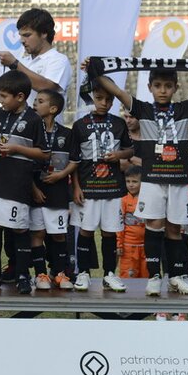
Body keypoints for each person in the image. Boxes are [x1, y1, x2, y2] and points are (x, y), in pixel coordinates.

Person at [89, 61, 188, 296]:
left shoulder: (185, 109)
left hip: (178, 181)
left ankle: (175, 277)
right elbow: (116, 91)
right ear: (150, 87)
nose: (163, 90)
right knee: (153, 226)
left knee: (174, 229)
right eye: (158, 85)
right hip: (152, 180)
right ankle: (154, 277)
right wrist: (95, 69)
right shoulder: (142, 109)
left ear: (175, 88)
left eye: (168, 86)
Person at [0, 70, 46, 294]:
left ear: (20, 97)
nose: (0, 100)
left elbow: (43, 153)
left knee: (19, 229)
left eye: (3, 96)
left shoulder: (34, 119)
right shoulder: (1, 114)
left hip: (18, 181)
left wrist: (17, 148)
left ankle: (22, 275)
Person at [67, 83, 135, 292]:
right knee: (86, 231)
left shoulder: (119, 123)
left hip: (112, 189)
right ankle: (83, 272)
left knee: (110, 232)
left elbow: (130, 150)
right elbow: (74, 160)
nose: (104, 103)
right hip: (88, 188)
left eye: (108, 99)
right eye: (99, 98)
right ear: (91, 98)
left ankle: (109, 274)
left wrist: (119, 155)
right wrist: (76, 187)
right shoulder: (79, 125)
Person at [31, 89, 74, 290]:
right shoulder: (31, 131)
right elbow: (24, 164)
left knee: (58, 234)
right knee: (38, 233)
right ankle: (40, 274)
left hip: (58, 192)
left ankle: (59, 272)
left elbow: (75, 161)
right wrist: (33, 188)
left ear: (53, 109)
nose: (34, 104)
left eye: (40, 101)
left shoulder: (66, 133)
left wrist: (61, 174)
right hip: (35, 191)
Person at [0, 8, 71, 105]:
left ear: (44, 33)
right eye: (21, 35)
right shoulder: (23, 61)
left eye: (27, 35)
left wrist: (14, 64)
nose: (21, 40)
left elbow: (47, 89)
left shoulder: (58, 60)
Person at [117, 167, 146, 279]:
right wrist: (119, 244)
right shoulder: (123, 201)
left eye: (134, 181)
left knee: (146, 278)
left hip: (145, 247)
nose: (131, 185)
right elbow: (119, 225)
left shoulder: (147, 200)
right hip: (128, 247)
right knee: (129, 278)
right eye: (128, 181)